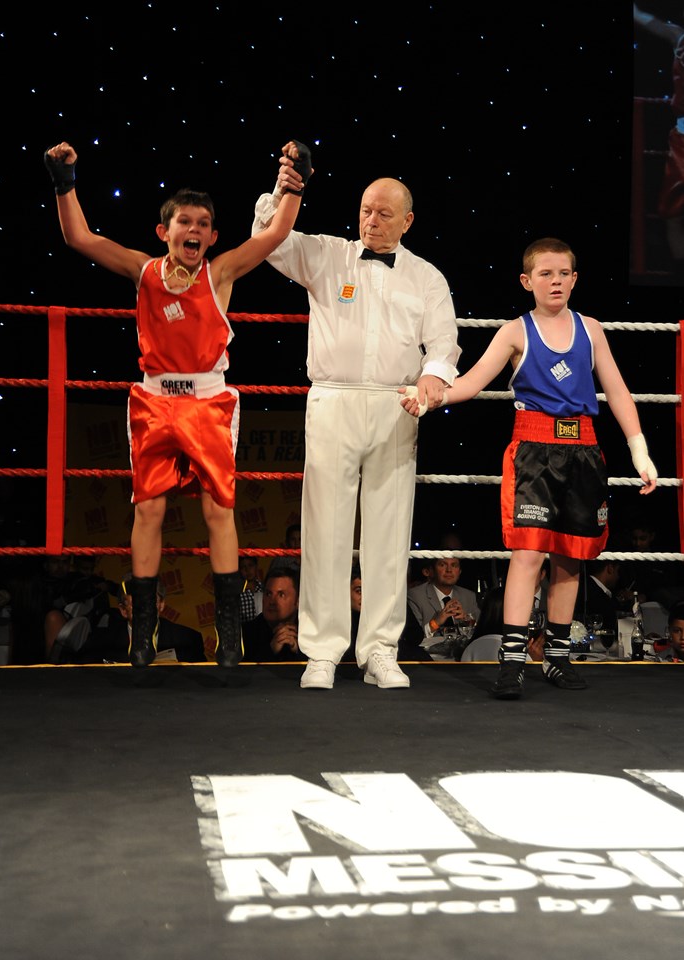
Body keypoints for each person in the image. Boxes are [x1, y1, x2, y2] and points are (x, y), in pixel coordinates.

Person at [44, 139, 308, 669]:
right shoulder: (142, 271)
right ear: (165, 232)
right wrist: (63, 182)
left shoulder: (223, 271)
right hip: (153, 401)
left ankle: (229, 638)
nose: (195, 229)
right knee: (149, 511)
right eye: (185, 221)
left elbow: (277, 232)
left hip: (208, 401)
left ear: (212, 235)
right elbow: (78, 236)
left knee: (219, 511)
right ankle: (141, 637)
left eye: (204, 223)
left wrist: (295, 179)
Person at [401, 236, 658, 699]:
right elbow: (474, 382)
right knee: (527, 555)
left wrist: (639, 450)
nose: (555, 280)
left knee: (571, 557)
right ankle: (514, 661)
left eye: (563, 273)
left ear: (575, 279)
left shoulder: (592, 329)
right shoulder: (515, 331)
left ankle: (557, 658)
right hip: (534, 454)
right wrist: (429, 396)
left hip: (584, 451)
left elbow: (618, 392)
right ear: (527, 281)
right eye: (546, 273)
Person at [252, 149, 460, 690]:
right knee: (324, 527)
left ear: (408, 221)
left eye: (384, 213)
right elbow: (268, 238)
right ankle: (320, 650)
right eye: (366, 210)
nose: (372, 220)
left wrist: (433, 380)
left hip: (396, 403)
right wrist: (283, 190)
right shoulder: (327, 255)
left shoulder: (428, 278)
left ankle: (380, 651)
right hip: (333, 399)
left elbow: (443, 345)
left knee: (389, 532)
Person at [634, 4, 684, 279]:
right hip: (682, 142)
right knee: (672, 212)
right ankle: (679, 277)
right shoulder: (679, 37)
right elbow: (647, 20)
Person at [407, 557, 479, 659]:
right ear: (431, 571)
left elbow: (482, 633)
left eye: (454, 565)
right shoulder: (415, 596)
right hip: (428, 661)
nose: (449, 570)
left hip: (463, 660)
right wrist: (435, 623)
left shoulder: (468, 596)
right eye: (442, 565)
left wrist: (466, 620)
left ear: (459, 572)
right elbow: (410, 638)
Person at [242, 567, 300, 661]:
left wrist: (299, 652)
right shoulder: (246, 634)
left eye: (281, 595)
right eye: (268, 594)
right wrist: (270, 651)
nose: (272, 601)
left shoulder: (311, 632)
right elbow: (240, 674)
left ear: (298, 601)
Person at [573, 558, 623, 637]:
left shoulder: (587, 586)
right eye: (618, 571)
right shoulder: (590, 592)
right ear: (610, 568)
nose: (618, 577)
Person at [238, 555, 264, 624]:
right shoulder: (237, 594)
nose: (247, 570)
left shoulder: (264, 589)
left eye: (250, 565)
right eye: (243, 567)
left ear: (256, 567)